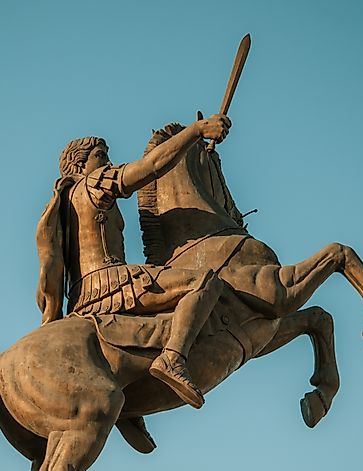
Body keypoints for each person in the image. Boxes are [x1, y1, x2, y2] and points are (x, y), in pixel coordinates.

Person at [36, 114, 231, 409]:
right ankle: (173, 359)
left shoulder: (64, 201)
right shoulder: (93, 183)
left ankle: (129, 405)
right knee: (204, 281)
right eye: (100, 156)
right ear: (79, 165)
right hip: (111, 283)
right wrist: (195, 131)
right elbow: (150, 168)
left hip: (80, 299)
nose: (107, 162)